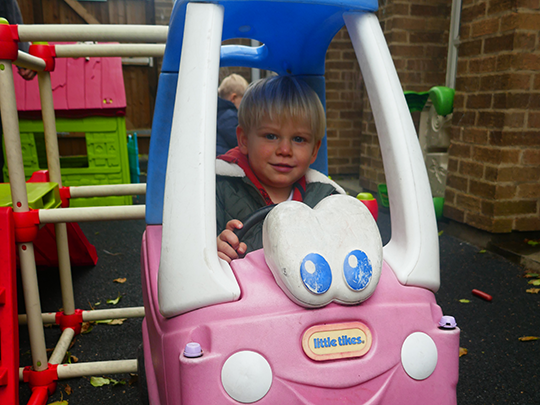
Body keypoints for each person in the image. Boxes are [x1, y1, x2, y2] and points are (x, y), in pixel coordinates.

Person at [216, 75, 345, 263]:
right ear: (244, 140)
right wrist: (214, 248)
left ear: (314, 150)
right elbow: (188, 254)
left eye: (299, 139)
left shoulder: (327, 199)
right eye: (271, 136)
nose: (285, 150)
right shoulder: (218, 190)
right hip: (241, 290)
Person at [216, 73, 249, 156]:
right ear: (233, 98)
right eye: (244, 100)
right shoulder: (229, 116)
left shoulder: (218, 113)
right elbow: (239, 141)